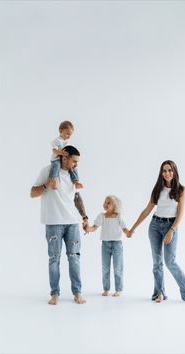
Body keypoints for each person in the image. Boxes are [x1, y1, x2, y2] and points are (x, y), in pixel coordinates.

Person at [127, 160, 185, 303]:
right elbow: (147, 210)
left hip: (171, 225)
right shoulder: (158, 189)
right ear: (161, 173)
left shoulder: (181, 190)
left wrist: (171, 230)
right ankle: (159, 293)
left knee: (170, 261)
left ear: (174, 171)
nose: (167, 173)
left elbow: (180, 213)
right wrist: (133, 228)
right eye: (164, 171)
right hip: (155, 226)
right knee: (157, 263)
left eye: (170, 170)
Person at [30, 145, 88, 305]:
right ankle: (55, 294)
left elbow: (76, 197)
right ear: (64, 157)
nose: (76, 165)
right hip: (53, 222)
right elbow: (32, 193)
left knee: (74, 258)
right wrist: (46, 186)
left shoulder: (73, 175)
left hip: (72, 224)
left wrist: (84, 217)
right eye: (74, 161)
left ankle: (77, 292)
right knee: (54, 259)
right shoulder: (48, 171)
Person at [85, 196, 129, 297]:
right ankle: (106, 289)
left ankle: (118, 289)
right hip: (105, 245)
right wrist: (88, 228)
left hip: (117, 244)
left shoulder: (119, 216)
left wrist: (128, 233)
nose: (105, 204)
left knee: (118, 267)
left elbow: (125, 228)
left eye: (108, 203)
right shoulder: (102, 216)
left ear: (114, 206)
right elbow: (94, 227)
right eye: (105, 202)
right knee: (105, 268)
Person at [49, 120, 83, 190]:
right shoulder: (57, 141)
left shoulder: (68, 142)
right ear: (60, 131)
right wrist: (60, 153)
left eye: (70, 135)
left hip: (65, 159)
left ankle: (76, 181)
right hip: (57, 159)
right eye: (67, 134)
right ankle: (53, 181)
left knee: (73, 167)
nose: (69, 136)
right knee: (56, 166)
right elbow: (54, 150)